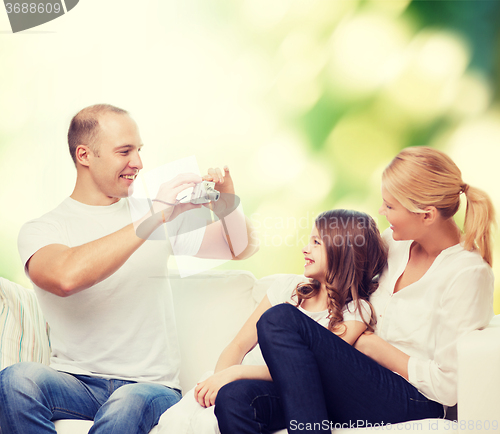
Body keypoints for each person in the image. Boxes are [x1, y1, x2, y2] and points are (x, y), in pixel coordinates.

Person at [0, 104, 258, 434]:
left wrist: (227, 203)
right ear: (84, 155)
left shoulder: (160, 213)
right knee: (15, 380)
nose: (137, 162)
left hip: (150, 388)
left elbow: (242, 247)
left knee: (126, 405)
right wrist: (154, 217)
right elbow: (65, 277)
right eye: (125, 151)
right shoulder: (43, 229)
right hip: (76, 384)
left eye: (139, 150)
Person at [214, 146, 495, 433]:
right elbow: (341, 259)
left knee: (279, 320)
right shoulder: (395, 243)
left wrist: (375, 348)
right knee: (234, 399)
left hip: (413, 398)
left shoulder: (467, 274)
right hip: (355, 379)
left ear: (427, 215)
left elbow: (447, 387)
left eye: (390, 207)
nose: (381, 212)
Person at [156, 208, 388, 434]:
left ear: (343, 251)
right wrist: (220, 379)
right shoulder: (288, 289)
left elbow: (306, 371)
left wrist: (235, 374)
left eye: (316, 243)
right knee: (194, 416)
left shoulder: (356, 312)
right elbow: (238, 345)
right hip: (236, 380)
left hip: (281, 392)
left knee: (235, 399)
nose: (304, 249)